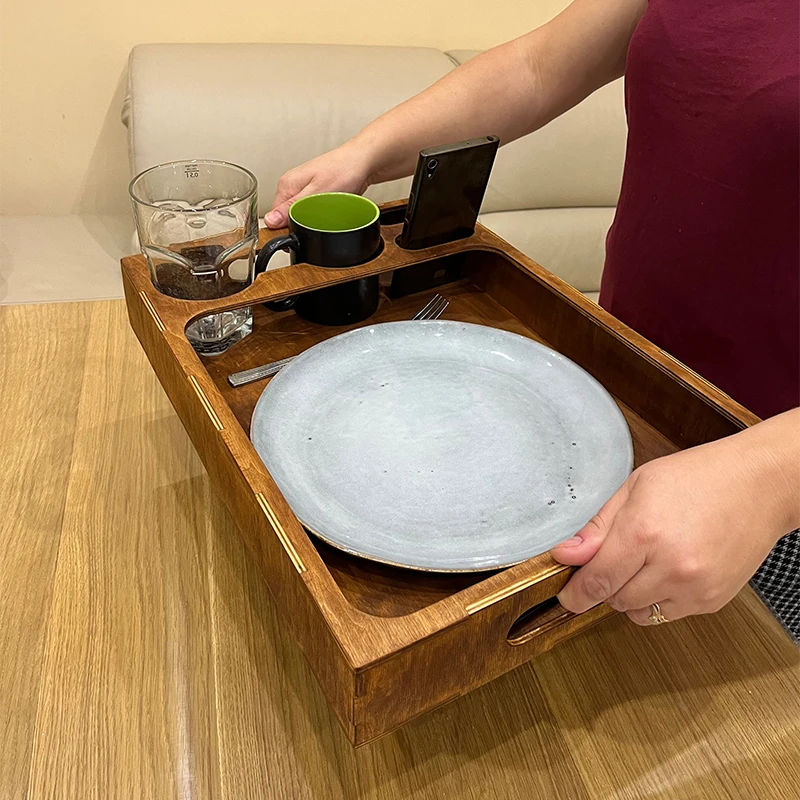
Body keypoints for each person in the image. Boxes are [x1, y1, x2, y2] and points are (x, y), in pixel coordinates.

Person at [266, 0, 800, 637]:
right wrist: (366, 153)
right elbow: (538, 66)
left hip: (771, 471)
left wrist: (770, 474)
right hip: (621, 379)